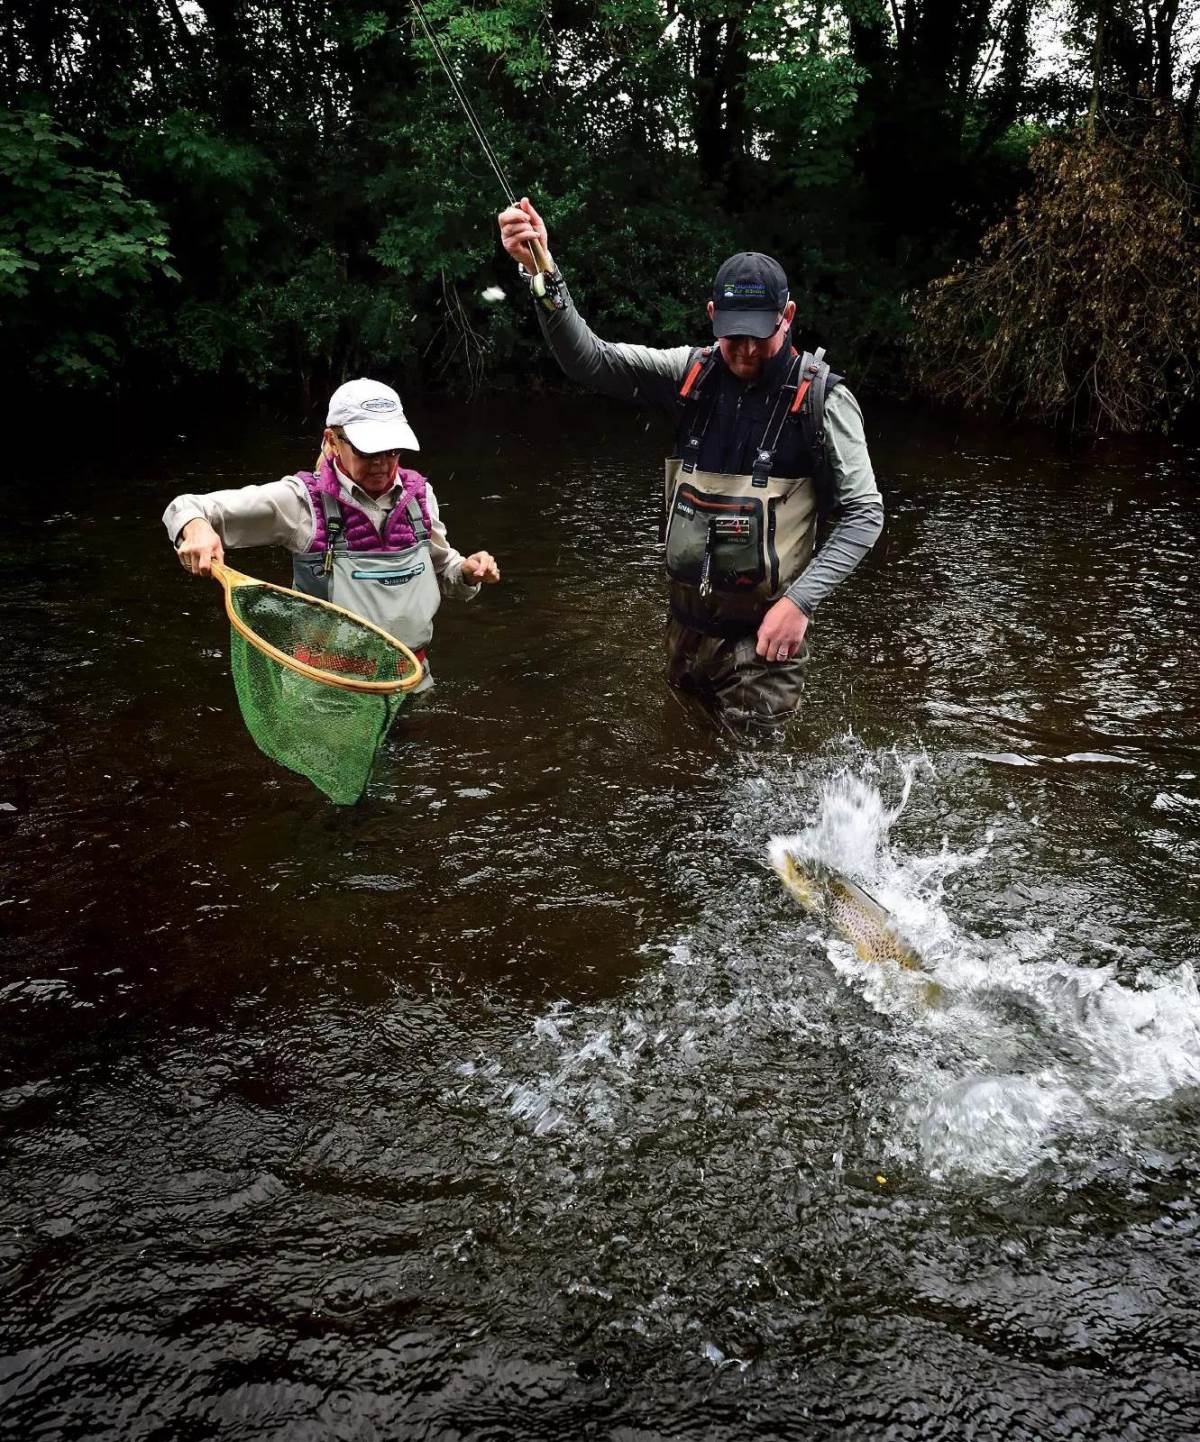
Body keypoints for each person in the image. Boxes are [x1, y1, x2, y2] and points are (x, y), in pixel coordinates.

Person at [498, 198, 883, 734]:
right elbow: (590, 360)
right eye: (731, 334)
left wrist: (798, 603)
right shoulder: (689, 373)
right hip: (686, 631)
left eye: (759, 333)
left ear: (788, 316)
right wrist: (543, 275)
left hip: (765, 639)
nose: (745, 349)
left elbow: (864, 514)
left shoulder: (824, 400)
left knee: (748, 792)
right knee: (683, 768)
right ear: (711, 318)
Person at [164, 378, 499, 692]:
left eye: (392, 451)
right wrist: (195, 528)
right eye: (369, 452)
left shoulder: (420, 497)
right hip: (325, 692)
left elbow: (444, 571)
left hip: (410, 683)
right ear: (331, 441)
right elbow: (186, 507)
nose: (382, 463)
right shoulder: (300, 503)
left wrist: (467, 572)